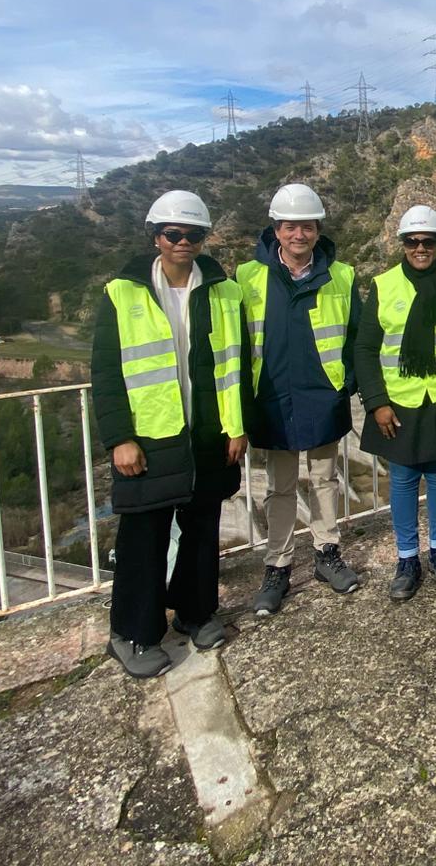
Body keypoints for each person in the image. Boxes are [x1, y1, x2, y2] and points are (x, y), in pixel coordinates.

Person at [92, 190, 249, 679]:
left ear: (204, 238)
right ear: (156, 237)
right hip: (149, 436)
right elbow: (107, 373)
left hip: (207, 432)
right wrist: (119, 437)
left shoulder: (224, 290)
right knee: (145, 535)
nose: (183, 243)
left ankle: (196, 613)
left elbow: (236, 365)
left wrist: (236, 427)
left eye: (193, 235)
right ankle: (132, 633)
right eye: (172, 234)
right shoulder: (124, 292)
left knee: (202, 530)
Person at [237, 183, 362, 615]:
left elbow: (356, 337)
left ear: (317, 229)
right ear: (276, 228)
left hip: (322, 392)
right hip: (271, 396)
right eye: (290, 226)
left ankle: (328, 553)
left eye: (306, 226)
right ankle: (278, 565)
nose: (298, 235)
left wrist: (345, 383)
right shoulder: (247, 277)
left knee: (326, 478)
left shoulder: (341, 276)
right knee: (280, 486)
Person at [355, 205, 436, 600]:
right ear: (402, 244)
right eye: (412, 241)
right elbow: (367, 348)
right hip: (398, 403)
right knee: (403, 480)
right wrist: (376, 402)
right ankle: (407, 558)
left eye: (428, 242)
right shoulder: (385, 286)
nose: (420, 248)